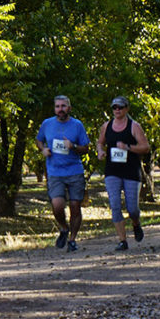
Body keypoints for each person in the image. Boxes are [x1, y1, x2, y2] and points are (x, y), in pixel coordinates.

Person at [35, 95, 91, 252]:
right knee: (57, 205)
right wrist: (43, 149)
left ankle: (72, 240)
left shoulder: (77, 125)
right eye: (57, 106)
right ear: (54, 109)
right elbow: (39, 140)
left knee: (75, 206)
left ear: (69, 108)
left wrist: (73, 146)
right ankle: (64, 228)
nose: (60, 109)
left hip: (74, 171)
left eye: (63, 106)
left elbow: (86, 148)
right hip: (55, 172)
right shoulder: (47, 124)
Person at [97, 96, 150, 251]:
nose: (117, 110)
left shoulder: (134, 126)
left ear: (127, 108)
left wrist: (128, 147)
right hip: (112, 171)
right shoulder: (106, 126)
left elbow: (145, 147)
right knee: (115, 205)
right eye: (114, 107)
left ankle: (136, 223)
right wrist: (100, 151)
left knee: (132, 208)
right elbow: (100, 142)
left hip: (131, 171)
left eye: (120, 107)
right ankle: (122, 241)